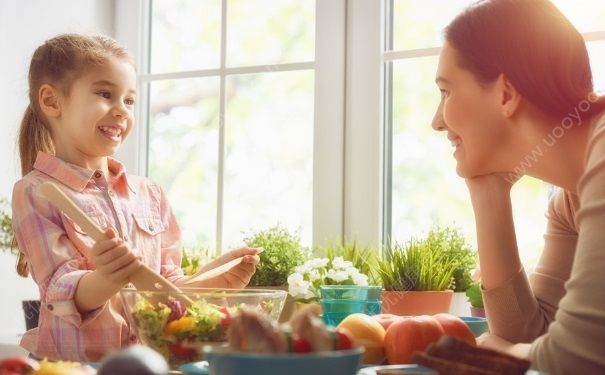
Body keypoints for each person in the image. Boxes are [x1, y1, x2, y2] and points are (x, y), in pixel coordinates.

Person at [11, 33, 260, 362]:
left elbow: (162, 292)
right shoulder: (36, 191)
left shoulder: (149, 193)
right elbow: (60, 290)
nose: (122, 111)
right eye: (105, 94)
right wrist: (107, 278)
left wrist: (211, 281)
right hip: (79, 369)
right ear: (52, 101)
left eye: (129, 100)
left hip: (153, 364)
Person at [432, 0, 605, 373]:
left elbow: (573, 359)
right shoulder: (570, 202)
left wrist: (496, 351)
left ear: (506, 94)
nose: (436, 121)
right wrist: (487, 191)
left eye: (446, 92)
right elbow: (529, 338)